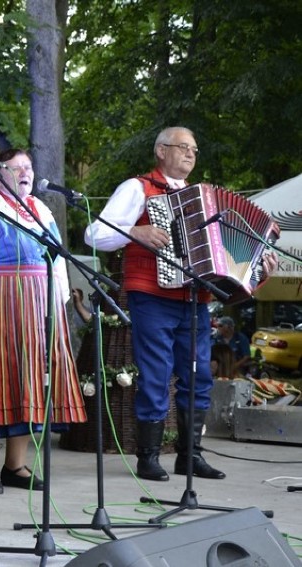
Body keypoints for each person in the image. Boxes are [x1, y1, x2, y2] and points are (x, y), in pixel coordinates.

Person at [84, 126, 277, 482]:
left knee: (198, 376)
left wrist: (257, 269)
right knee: (156, 374)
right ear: (161, 150)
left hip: (194, 299)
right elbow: (94, 234)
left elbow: (225, 261)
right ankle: (148, 457)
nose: (190, 154)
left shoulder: (202, 198)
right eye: (183, 147)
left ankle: (190, 456)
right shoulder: (136, 188)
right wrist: (134, 232)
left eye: (194, 149)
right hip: (152, 296)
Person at [0, 148, 87, 494]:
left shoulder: (41, 210)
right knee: (0, 378)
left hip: (39, 302)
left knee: (31, 379)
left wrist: (60, 300)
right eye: (16, 167)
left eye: (29, 167)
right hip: (4, 299)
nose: (26, 172)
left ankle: (15, 464)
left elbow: (57, 259)